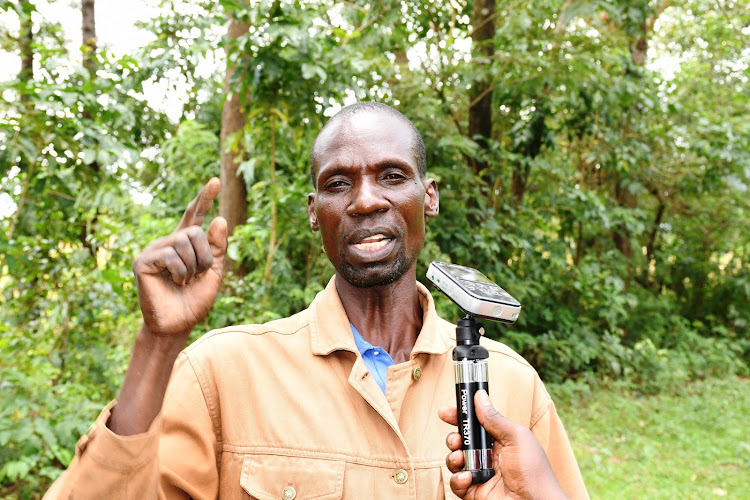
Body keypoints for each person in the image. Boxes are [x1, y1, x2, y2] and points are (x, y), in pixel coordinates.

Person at [45, 102, 588, 499]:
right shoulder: (221, 376)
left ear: (429, 196)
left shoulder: (511, 386)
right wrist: (157, 345)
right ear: (313, 212)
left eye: (392, 176)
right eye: (338, 184)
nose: (366, 199)